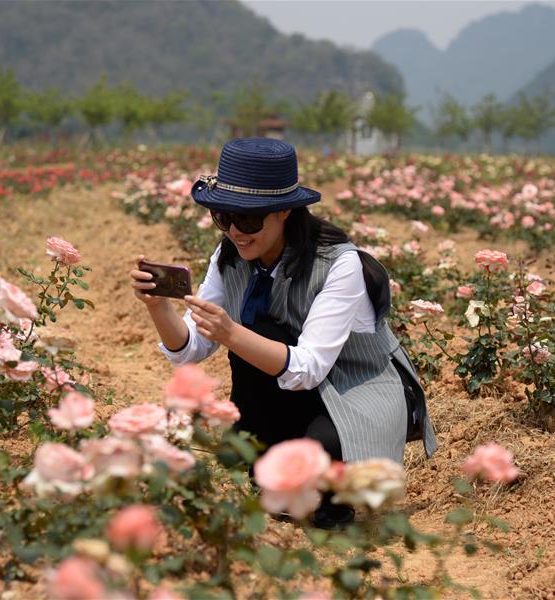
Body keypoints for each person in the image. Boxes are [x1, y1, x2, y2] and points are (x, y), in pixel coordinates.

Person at [130, 138, 437, 529]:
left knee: (319, 457)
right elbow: (190, 348)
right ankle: (266, 462)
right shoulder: (229, 257)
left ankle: (325, 496)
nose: (236, 231)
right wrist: (158, 308)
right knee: (258, 333)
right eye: (224, 217)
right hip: (294, 394)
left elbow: (308, 367)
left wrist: (231, 332)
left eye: (250, 221)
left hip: (355, 390)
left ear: (286, 211)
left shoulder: (339, 265)